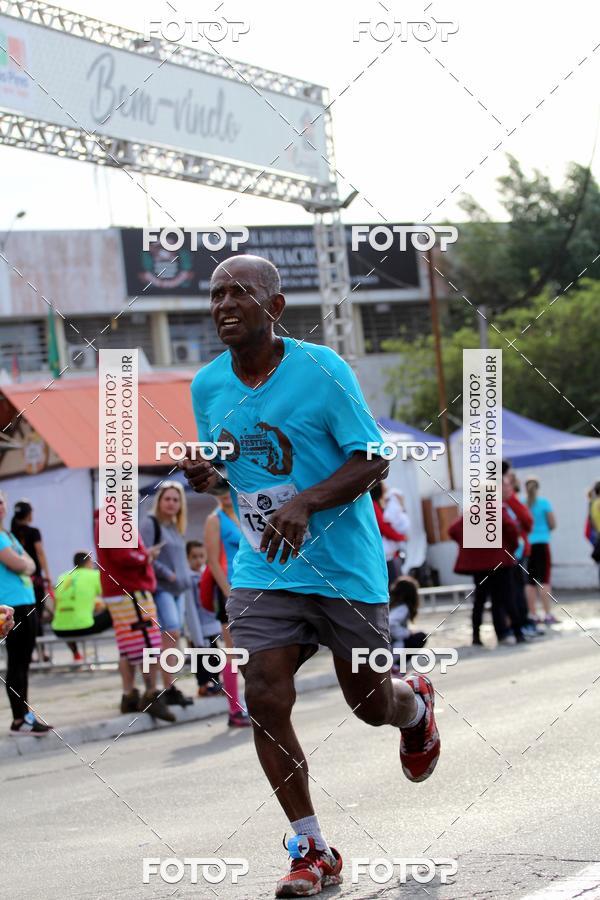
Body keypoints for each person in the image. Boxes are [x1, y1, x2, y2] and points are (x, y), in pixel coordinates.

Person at [181, 255, 440, 898]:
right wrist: (206, 475)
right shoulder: (207, 386)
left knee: (368, 704)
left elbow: (374, 457)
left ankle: (413, 708)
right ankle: (311, 849)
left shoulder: (322, 368)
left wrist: (306, 503)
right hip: (264, 566)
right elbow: (235, 472)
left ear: (276, 306)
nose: (225, 306)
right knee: (264, 695)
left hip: (345, 566)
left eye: (241, 293)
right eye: (216, 295)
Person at [94, 510, 175, 722]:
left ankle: (129, 695)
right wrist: (145, 556)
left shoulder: (107, 518)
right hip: (130, 590)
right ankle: (151, 695)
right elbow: (122, 555)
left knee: (127, 646)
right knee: (148, 644)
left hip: (120, 590)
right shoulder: (114, 518)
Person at [448, 476, 526, 646]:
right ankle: (515, 633)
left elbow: (453, 530)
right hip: (500, 561)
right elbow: (512, 529)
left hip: (479, 565)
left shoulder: (471, 512)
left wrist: (470, 546)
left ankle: (476, 636)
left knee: (480, 600)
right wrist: (510, 548)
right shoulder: (497, 510)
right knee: (505, 598)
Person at [0, 492, 52, 736]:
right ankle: (19, 720)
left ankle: (25, 715)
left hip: (27, 601)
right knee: (17, 662)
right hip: (11, 605)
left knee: (25, 661)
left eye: (1, 501)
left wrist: (25, 563)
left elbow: (29, 562)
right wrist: (25, 563)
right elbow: (21, 564)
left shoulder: (8, 534)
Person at [202, 477, 251, 727]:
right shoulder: (214, 520)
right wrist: (228, 592)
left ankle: (253, 704)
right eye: (218, 492)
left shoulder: (245, 514)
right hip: (229, 589)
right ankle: (234, 709)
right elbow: (212, 562)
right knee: (232, 651)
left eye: (226, 490)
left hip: (251, 585)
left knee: (252, 650)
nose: (223, 495)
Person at [140, 482, 193, 707]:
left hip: (180, 590)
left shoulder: (175, 527)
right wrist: (167, 574)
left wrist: (186, 576)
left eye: (175, 499)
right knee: (169, 633)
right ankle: (163, 687)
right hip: (162, 589)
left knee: (174, 637)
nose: (171, 503)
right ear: (159, 500)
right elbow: (145, 555)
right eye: (167, 498)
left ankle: (170, 687)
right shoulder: (150, 523)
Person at [11, 500, 52, 654]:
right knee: (36, 617)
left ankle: (30, 653)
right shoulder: (33, 532)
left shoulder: (10, 533)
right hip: (34, 581)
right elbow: (40, 553)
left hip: (18, 582)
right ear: (28, 514)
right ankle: (41, 652)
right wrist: (47, 575)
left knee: (21, 618)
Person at [51, 552, 112, 657]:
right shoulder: (94, 575)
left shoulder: (63, 576)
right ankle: (125, 650)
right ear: (88, 562)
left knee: (66, 617)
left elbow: (57, 604)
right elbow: (109, 598)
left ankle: (76, 654)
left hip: (58, 629)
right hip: (84, 627)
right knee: (114, 611)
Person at [184, 540, 223, 697]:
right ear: (187, 558)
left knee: (214, 655)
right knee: (199, 657)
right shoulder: (189, 579)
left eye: (201, 556)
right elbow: (190, 608)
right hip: (197, 626)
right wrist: (193, 632)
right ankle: (203, 685)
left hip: (211, 623)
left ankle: (216, 682)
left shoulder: (207, 574)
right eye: (194, 557)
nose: (198, 560)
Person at [524, 476, 557, 625]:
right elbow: (552, 523)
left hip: (529, 545)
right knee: (544, 580)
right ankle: (548, 614)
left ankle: (533, 614)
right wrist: (543, 530)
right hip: (542, 543)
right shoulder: (544, 503)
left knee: (530, 581)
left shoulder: (523, 504)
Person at [389, 576, 427, 674]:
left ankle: (395, 665)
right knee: (421, 637)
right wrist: (407, 633)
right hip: (393, 646)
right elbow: (391, 624)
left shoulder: (391, 604)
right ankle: (396, 665)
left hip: (387, 645)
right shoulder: (403, 608)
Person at [370, 483, 407, 584]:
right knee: (394, 581)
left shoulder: (380, 504)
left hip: (390, 552)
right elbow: (383, 527)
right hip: (386, 554)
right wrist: (400, 537)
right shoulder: (374, 505)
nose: (386, 487)